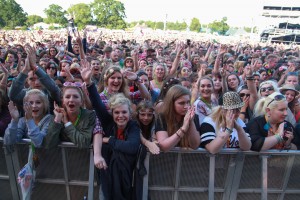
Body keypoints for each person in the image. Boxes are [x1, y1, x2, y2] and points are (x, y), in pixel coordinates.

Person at [43, 82, 96, 148]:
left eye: (75, 97)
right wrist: (57, 120)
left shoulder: (89, 115)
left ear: (81, 101)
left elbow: (83, 143)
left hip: (83, 157)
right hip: (61, 158)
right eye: (67, 97)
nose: (71, 100)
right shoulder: (57, 116)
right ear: (63, 101)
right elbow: (48, 145)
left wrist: (67, 123)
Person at [155, 85, 201, 152]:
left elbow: (195, 145)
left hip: (187, 160)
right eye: (181, 103)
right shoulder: (162, 117)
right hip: (166, 159)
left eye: (188, 102)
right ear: (171, 103)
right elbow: (164, 146)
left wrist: (190, 122)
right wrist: (183, 128)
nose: (186, 106)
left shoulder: (194, 117)